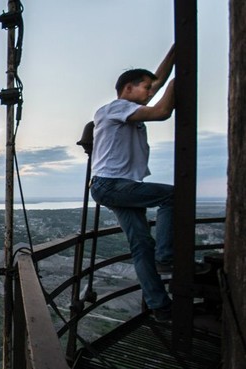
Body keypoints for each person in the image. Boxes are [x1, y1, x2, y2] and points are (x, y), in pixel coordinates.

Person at [89, 45, 177, 322]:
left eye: (152, 88)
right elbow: (163, 111)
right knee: (174, 196)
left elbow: (157, 79)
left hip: (115, 186)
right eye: (146, 88)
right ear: (128, 88)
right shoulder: (115, 108)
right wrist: (178, 81)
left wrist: (176, 51)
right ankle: (166, 257)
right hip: (111, 184)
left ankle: (159, 306)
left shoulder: (126, 110)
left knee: (141, 246)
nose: (151, 92)